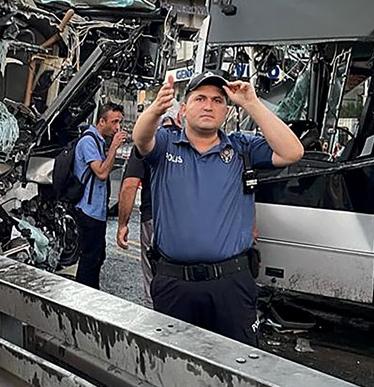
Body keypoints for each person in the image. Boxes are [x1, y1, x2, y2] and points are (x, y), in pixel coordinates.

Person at [132, 72, 303, 345]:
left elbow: (292, 152)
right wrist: (156, 108)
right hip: (175, 283)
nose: (208, 106)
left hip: (231, 284)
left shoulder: (240, 147)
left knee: (237, 368)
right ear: (184, 109)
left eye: (217, 100)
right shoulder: (165, 143)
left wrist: (252, 103)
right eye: (199, 98)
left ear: (226, 110)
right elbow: (141, 139)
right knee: (173, 367)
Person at [117, 113, 179, 308]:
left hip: (153, 217)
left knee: (152, 274)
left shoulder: (147, 144)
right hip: (185, 220)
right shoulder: (187, 142)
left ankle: (154, 320)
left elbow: (129, 185)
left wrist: (122, 224)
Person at [72, 103, 125, 289]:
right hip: (88, 210)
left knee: (98, 255)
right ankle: (84, 297)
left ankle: (90, 293)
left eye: (120, 122)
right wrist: (114, 148)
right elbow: (101, 172)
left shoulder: (99, 141)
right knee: (89, 259)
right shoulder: (88, 141)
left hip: (97, 210)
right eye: (114, 122)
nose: (117, 127)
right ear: (101, 121)